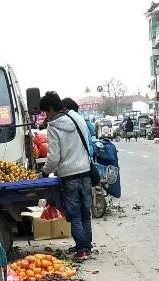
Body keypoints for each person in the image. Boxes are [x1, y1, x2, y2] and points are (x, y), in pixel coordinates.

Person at [40, 91, 94, 262]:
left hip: (69, 176)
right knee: (86, 213)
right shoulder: (77, 118)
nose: (47, 116)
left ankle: (82, 249)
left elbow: (54, 157)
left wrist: (44, 172)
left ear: (50, 109)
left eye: (46, 112)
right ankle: (85, 246)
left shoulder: (54, 126)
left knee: (75, 214)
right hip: (85, 171)